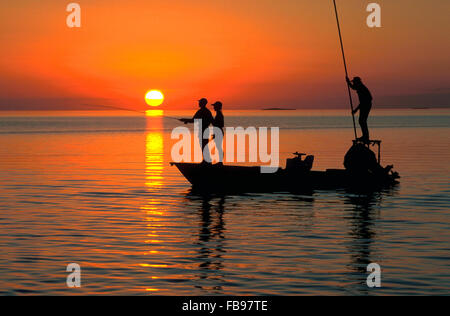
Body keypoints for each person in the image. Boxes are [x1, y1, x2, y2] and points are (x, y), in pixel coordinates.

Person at [180, 98, 214, 162]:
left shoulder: (201, 111)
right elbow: (211, 121)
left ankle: (207, 161)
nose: (199, 103)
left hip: (202, 130)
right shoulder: (207, 111)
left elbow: (193, 120)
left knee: (203, 146)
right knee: (204, 145)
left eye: (200, 102)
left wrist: (185, 119)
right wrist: (187, 121)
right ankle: (207, 161)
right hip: (206, 130)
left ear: (202, 103)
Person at [346, 76, 373, 142]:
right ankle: (365, 136)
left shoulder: (361, 88)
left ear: (357, 82)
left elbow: (363, 102)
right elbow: (353, 87)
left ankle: (365, 136)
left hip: (366, 105)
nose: (354, 84)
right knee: (362, 121)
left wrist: (355, 110)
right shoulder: (359, 87)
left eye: (354, 82)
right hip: (365, 105)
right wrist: (348, 82)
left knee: (362, 120)